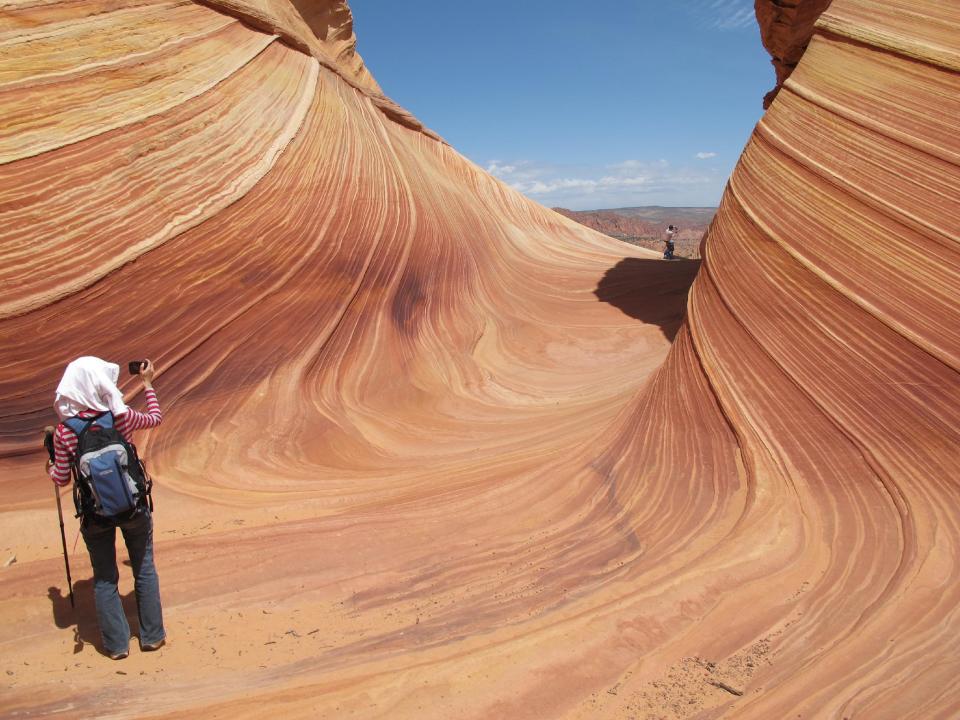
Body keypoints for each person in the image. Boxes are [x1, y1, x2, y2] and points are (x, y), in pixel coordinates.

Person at [48, 356, 165, 660]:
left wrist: (50, 463)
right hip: (133, 506)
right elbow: (155, 417)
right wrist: (147, 382)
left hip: (95, 512)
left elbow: (60, 477)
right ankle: (152, 637)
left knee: (104, 578)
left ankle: (116, 646)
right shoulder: (120, 416)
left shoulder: (64, 432)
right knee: (144, 568)